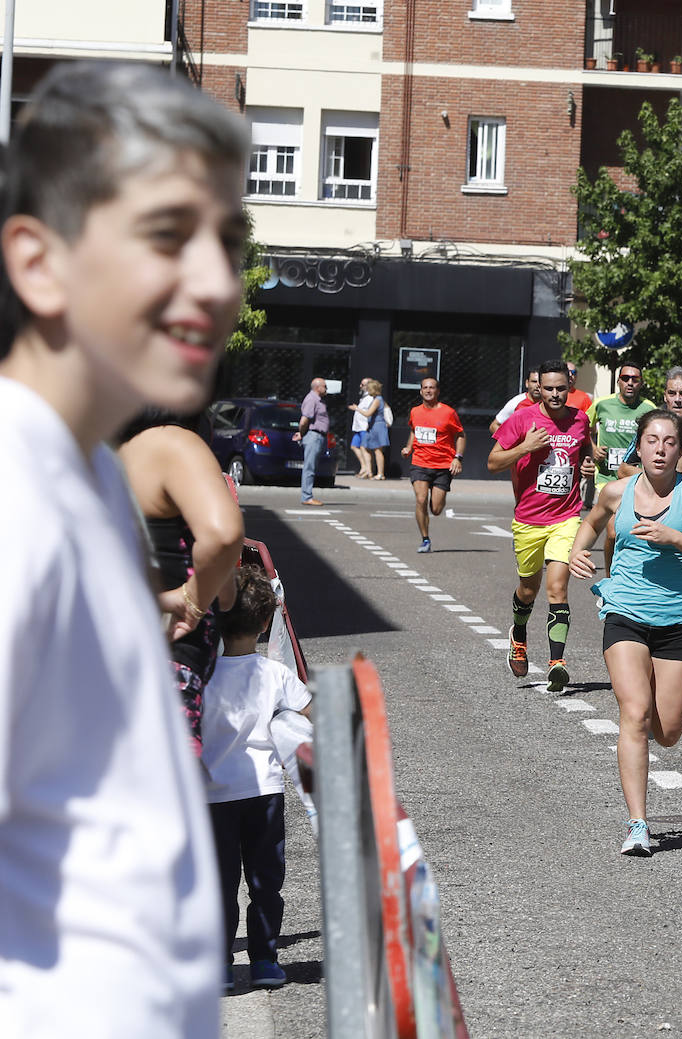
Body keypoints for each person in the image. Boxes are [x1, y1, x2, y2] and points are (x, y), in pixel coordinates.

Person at [0, 60, 247, 1037]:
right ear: (39, 263)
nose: (217, 282)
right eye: (166, 237)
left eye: (229, 241)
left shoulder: (94, 473)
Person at [568, 411, 682, 855]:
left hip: (678, 621)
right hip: (625, 613)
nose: (661, 449)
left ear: (680, 451)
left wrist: (674, 538)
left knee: (669, 730)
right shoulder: (617, 491)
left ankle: (642, 807)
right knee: (635, 713)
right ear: (638, 448)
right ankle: (638, 824)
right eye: (653, 440)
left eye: (670, 442)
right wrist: (578, 552)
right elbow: (591, 521)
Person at [203, 565, 312, 993]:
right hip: (265, 793)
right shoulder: (275, 675)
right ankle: (265, 960)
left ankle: (220, 964)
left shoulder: (203, 675)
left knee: (219, 883)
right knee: (266, 881)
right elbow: (311, 714)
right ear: (267, 622)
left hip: (212, 796)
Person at [117, 409, 244, 756]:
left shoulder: (100, 453)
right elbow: (222, 536)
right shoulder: (173, 442)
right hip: (168, 658)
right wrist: (194, 598)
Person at [488, 359, 595, 693]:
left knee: (557, 588)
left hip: (566, 517)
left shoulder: (579, 419)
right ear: (539, 388)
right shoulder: (523, 419)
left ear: (570, 387)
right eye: (548, 388)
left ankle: (556, 664)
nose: (554, 394)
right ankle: (518, 634)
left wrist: (589, 465)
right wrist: (525, 447)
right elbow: (492, 462)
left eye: (561, 388)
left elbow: (585, 451)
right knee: (528, 590)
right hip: (529, 520)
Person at [616, 365, 682, 477]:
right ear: (665, 397)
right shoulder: (650, 426)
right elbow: (623, 470)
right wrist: (662, 478)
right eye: (672, 393)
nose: (677, 400)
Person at [400, 376, 465, 553]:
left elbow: (460, 435)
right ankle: (425, 539)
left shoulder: (448, 412)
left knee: (435, 509)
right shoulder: (415, 411)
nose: (428, 391)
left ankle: (435, 506)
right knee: (420, 499)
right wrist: (408, 447)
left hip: (443, 465)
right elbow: (414, 431)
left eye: (432, 388)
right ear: (421, 391)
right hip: (420, 462)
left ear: (437, 391)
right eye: (425, 388)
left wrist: (457, 457)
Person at [588, 362, 657, 490]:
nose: (630, 383)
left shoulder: (650, 409)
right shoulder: (601, 404)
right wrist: (593, 449)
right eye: (625, 378)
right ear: (618, 381)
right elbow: (582, 428)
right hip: (606, 479)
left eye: (635, 379)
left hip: (636, 480)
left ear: (641, 383)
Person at [292, 375, 329, 505]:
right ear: (317, 387)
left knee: (311, 466)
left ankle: (307, 495)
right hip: (313, 436)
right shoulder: (311, 399)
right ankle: (307, 497)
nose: (326, 388)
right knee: (309, 467)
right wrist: (302, 433)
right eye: (324, 386)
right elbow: (304, 420)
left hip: (318, 436)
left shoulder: (318, 400)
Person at [488, 366, 539, 436]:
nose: (537, 385)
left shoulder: (550, 403)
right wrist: (511, 444)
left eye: (540, 382)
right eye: (534, 381)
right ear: (527, 383)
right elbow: (494, 426)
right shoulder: (516, 402)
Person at [362, 377, 390, 479]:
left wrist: (357, 409)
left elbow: (368, 413)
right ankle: (370, 471)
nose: (367, 390)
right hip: (374, 426)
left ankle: (380, 473)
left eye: (369, 388)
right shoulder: (378, 399)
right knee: (367, 447)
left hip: (377, 426)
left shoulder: (377, 400)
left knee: (378, 451)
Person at [348, 378, 376, 477]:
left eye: (362, 384)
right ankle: (364, 467)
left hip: (365, 427)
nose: (360, 386)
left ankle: (368, 470)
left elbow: (369, 413)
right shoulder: (364, 397)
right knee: (354, 446)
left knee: (365, 449)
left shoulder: (371, 398)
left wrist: (357, 408)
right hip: (358, 426)